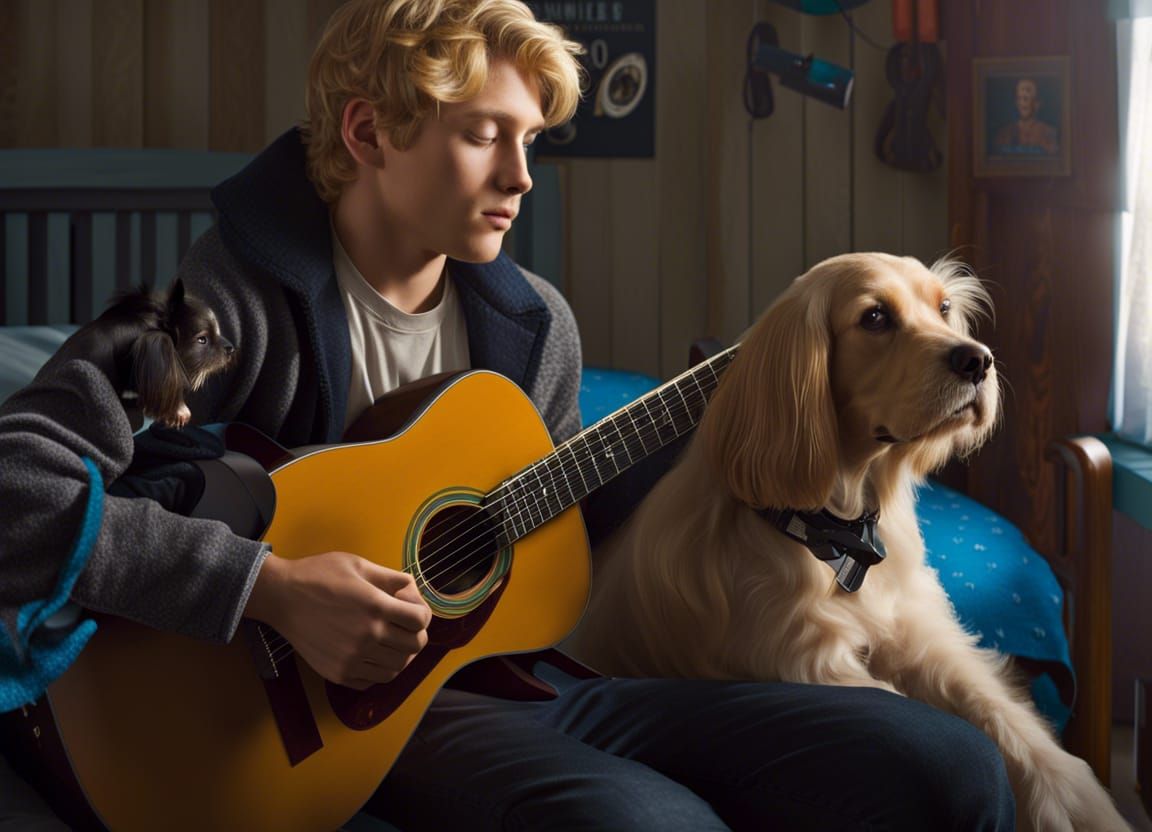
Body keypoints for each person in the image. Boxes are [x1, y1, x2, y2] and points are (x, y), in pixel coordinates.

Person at [0, 1, 1018, 828]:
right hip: (318, 713)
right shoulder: (215, 312)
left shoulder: (534, 329)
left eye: (530, 140)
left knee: (949, 763)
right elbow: (21, 485)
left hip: (516, 675)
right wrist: (268, 586)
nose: (521, 176)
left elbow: (545, 538)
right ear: (368, 133)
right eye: (484, 135)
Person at [993, 77, 1059, 155]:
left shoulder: (1049, 132)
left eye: (1026, 98)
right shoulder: (1004, 133)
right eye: (1020, 98)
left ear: (1037, 103)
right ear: (1016, 103)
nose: (1023, 103)